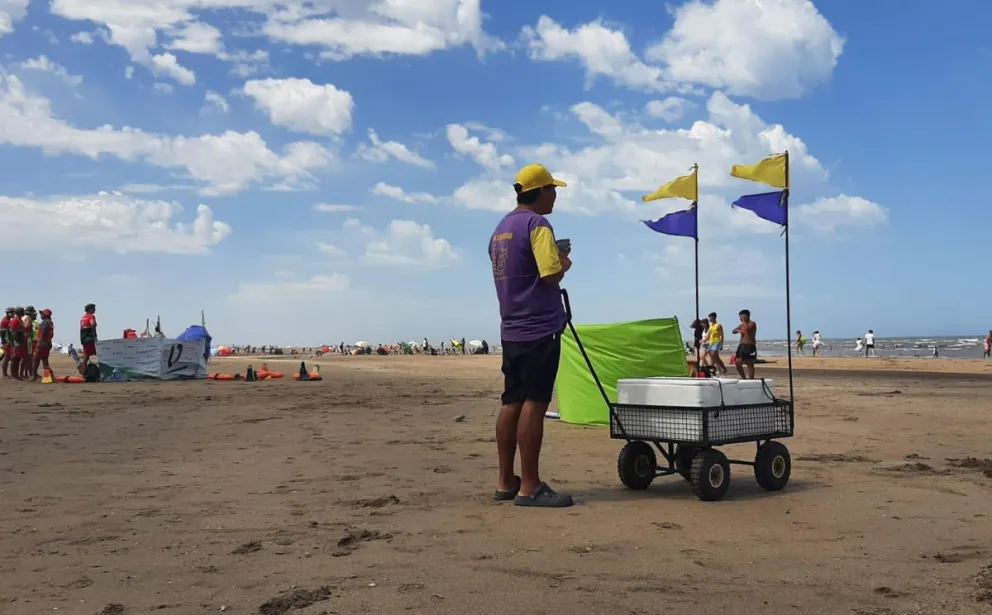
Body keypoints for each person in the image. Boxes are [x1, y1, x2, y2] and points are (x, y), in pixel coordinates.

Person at [489, 163, 572, 508]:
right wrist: (564, 260)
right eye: (552, 190)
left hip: (511, 327)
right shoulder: (537, 224)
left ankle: (506, 480)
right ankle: (531, 485)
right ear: (539, 192)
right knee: (534, 405)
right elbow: (550, 274)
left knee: (511, 402)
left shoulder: (501, 229)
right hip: (539, 327)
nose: (554, 196)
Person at [733, 309, 758, 379]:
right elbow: (733, 331)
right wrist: (738, 330)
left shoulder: (752, 323)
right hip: (741, 346)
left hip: (750, 345)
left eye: (742, 317)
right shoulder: (741, 325)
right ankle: (744, 378)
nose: (740, 319)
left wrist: (744, 320)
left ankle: (751, 379)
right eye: (740, 317)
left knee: (749, 363)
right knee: (737, 362)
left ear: (746, 316)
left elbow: (747, 328)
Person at [34, 309, 55, 381]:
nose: (41, 315)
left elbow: (44, 331)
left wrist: (40, 342)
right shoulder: (50, 322)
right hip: (48, 342)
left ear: (45, 315)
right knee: (45, 360)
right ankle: (48, 377)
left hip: (43, 342)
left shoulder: (45, 322)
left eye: (42, 314)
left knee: (35, 359)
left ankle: (33, 377)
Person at [80, 303, 98, 374]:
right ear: (90, 309)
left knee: (86, 356)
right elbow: (92, 325)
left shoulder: (83, 318)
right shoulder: (91, 316)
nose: (95, 310)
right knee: (99, 354)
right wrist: (95, 336)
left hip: (84, 339)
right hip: (90, 339)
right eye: (94, 308)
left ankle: (84, 372)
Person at [8, 307, 26, 380]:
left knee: (18, 358)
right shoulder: (15, 320)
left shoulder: (19, 320)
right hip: (16, 342)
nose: (24, 312)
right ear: (19, 312)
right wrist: (16, 341)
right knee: (14, 359)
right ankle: (14, 375)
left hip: (19, 342)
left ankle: (16, 374)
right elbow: (13, 332)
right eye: (22, 311)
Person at [22, 306, 37, 379]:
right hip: (28, 340)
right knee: (29, 357)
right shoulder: (28, 318)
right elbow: (26, 327)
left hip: (25, 339)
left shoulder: (23, 318)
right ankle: (27, 373)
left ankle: (24, 373)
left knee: (25, 358)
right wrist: (28, 335)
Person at [0, 307, 12, 378]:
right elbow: (2, 332)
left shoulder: (8, 320)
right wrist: (4, 341)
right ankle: (4, 374)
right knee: (6, 357)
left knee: (7, 357)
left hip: (8, 341)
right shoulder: (5, 321)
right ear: (8, 313)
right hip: (6, 342)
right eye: (11, 312)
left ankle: (6, 373)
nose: (13, 314)